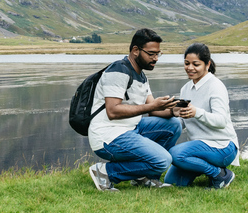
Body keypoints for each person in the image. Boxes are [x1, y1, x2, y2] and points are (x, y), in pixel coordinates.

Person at [88, 28, 182, 191]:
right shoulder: (118, 70)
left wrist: (173, 110)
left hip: (131, 129)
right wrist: (152, 106)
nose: (156, 58)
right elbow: (113, 111)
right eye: (151, 53)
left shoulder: (141, 75)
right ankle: (105, 172)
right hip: (108, 136)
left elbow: (153, 110)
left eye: (159, 54)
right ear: (135, 50)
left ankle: (146, 178)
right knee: (163, 160)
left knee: (174, 124)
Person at [164, 43, 239, 189]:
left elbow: (221, 121)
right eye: (186, 63)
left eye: (195, 64)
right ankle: (205, 166)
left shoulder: (216, 86)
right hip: (199, 148)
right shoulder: (185, 88)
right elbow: (183, 121)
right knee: (172, 182)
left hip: (222, 146)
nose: (190, 68)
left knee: (175, 154)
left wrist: (197, 113)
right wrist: (175, 114)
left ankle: (219, 175)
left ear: (207, 64)